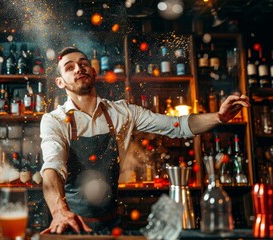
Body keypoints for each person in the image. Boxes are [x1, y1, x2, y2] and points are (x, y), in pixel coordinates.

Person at [39, 47, 250, 234]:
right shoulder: (54, 121)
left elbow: (178, 126)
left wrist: (219, 117)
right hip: (72, 227)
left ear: (93, 72)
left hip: (114, 225)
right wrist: (59, 211)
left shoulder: (123, 112)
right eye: (69, 67)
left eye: (83, 64)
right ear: (60, 82)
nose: (78, 69)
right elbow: (52, 168)